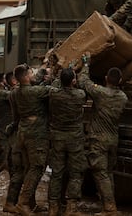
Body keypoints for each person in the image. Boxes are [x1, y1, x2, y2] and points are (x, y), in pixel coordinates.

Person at [77, 54, 128, 216]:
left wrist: (86, 65)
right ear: (120, 81)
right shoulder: (123, 97)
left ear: (106, 78)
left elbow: (84, 82)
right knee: (108, 172)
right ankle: (109, 205)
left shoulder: (101, 94)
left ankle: (109, 208)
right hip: (113, 139)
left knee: (100, 173)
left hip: (98, 139)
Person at [9, 64, 52, 215]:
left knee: (29, 169)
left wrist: (42, 70)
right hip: (36, 136)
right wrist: (53, 76)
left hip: (23, 133)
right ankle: (23, 202)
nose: (34, 74)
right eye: (31, 72)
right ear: (26, 77)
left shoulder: (15, 92)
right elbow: (54, 90)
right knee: (37, 168)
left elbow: (36, 81)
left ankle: (31, 203)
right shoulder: (35, 92)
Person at [47, 68, 87, 216]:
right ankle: (71, 207)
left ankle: (53, 207)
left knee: (56, 173)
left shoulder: (54, 94)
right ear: (74, 81)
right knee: (75, 173)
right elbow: (82, 88)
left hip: (57, 138)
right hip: (75, 139)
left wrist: (60, 77)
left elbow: (56, 85)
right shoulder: (80, 95)